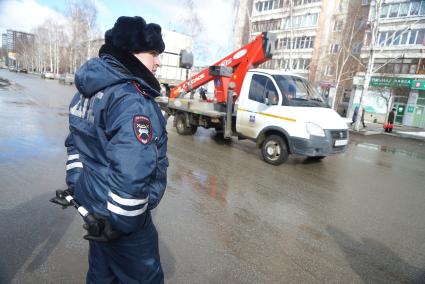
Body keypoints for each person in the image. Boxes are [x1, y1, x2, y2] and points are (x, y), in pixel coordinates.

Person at [65, 16, 168, 283]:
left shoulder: (89, 89)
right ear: (131, 51)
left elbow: (77, 142)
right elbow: (133, 170)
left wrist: (78, 187)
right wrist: (121, 224)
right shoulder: (131, 99)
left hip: (96, 206)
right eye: (153, 53)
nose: (158, 61)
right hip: (121, 221)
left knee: (102, 275)